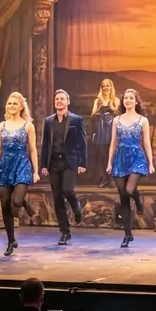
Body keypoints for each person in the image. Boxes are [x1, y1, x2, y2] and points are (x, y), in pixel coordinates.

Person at [0, 92, 40, 256]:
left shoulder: (28, 126)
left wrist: (36, 171)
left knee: (16, 202)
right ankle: (11, 241)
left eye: (15, 103)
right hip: (5, 166)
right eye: (9, 103)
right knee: (5, 206)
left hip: (21, 164)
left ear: (21, 106)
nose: (11, 106)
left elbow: (33, 149)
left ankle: (24, 204)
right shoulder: (2, 125)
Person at [106, 88, 154, 248]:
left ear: (136, 101)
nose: (127, 100)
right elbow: (113, 142)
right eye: (125, 98)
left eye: (131, 98)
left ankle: (138, 200)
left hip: (136, 157)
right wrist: (109, 163)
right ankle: (127, 234)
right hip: (120, 157)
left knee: (129, 190)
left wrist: (151, 162)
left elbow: (146, 143)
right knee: (123, 197)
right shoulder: (117, 120)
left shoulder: (143, 120)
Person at [40, 90, 88, 245]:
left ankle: (76, 208)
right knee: (57, 198)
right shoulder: (48, 121)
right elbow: (45, 144)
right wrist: (44, 165)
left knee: (67, 190)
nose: (59, 101)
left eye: (62, 99)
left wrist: (83, 163)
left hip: (70, 162)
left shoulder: (76, 120)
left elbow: (83, 143)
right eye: (56, 99)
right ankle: (65, 232)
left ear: (67, 102)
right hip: (53, 163)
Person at [91, 79, 119, 188]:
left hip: (111, 130)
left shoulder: (115, 100)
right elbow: (93, 114)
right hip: (101, 130)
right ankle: (104, 178)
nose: (105, 88)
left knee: (111, 154)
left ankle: (111, 179)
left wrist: (111, 109)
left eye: (108, 86)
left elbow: (118, 114)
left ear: (111, 87)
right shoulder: (97, 100)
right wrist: (99, 107)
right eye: (103, 86)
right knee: (102, 155)